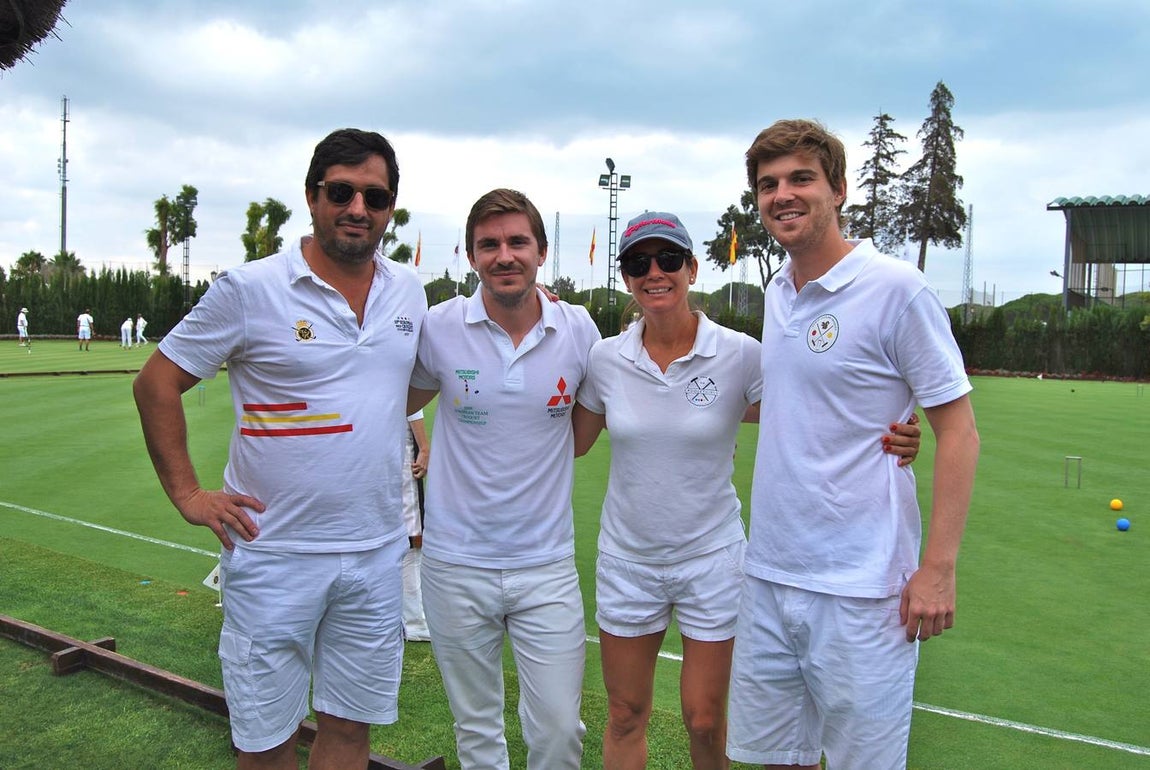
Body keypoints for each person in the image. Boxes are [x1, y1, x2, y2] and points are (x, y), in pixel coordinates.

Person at [572, 213, 922, 770]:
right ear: (626, 277)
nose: (654, 273)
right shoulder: (606, 359)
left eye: (667, 260)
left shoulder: (739, 353)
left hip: (712, 557)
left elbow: (808, 406)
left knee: (706, 719)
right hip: (627, 559)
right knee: (625, 713)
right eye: (638, 263)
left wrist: (897, 427)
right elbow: (570, 443)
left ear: (691, 268)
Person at [133, 128, 426, 770]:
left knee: (349, 732)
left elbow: (400, 390)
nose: (358, 209)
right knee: (266, 743)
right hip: (274, 555)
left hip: (376, 552)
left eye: (374, 197)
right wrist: (188, 494)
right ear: (312, 196)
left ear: (390, 208)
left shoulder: (409, 291)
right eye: (341, 192)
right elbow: (157, 383)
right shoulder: (252, 288)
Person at [726, 119, 980, 769]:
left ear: (838, 190)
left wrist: (939, 567)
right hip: (771, 573)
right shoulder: (778, 292)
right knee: (783, 758)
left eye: (800, 179)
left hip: (864, 587)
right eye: (768, 184)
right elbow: (806, 406)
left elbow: (959, 430)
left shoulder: (897, 289)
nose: (782, 194)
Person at [407, 188, 600, 770]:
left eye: (518, 241)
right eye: (489, 245)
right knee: (478, 732)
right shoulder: (439, 327)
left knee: (561, 730)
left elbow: (584, 436)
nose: (504, 255)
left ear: (541, 252)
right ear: (471, 256)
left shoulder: (579, 329)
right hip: (455, 563)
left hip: (545, 565)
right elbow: (396, 400)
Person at [400, 409, 431, 642]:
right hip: (399, 444)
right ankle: (415, 621)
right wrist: (424, 447)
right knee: (412, 534)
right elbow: (412, 405)